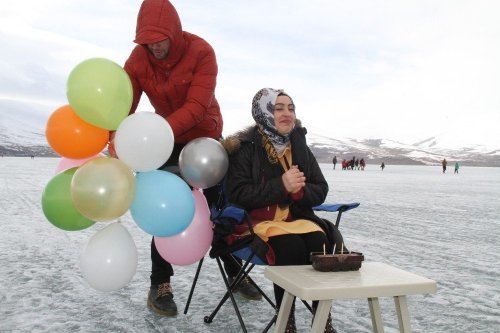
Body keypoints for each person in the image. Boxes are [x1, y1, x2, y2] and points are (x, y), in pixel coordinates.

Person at [116, 0, 260, 317]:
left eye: (160, 38)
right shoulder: (139, 59)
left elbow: (196, 107)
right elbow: (124, 100)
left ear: (174, 32)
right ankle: (159, 285)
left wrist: (158, 133)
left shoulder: (201, 52)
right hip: (166, 139)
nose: (154, 46)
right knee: (166, 206)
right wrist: (115, 134)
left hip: (203, 137)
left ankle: (234, 272)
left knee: (215, 211)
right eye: (147, 40)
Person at [224, 88, 344, 333]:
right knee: (290, 247)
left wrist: (298, 192)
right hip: (256, 222)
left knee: (319, 240)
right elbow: (238, 194)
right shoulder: (247, 148)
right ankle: (286, 320)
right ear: (264, 113)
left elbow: (320, 189)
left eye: (291, 108)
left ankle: (322, 319)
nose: (287, 113)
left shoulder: (299, 146)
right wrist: (281, 186)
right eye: (278, 108)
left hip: (295, 219)